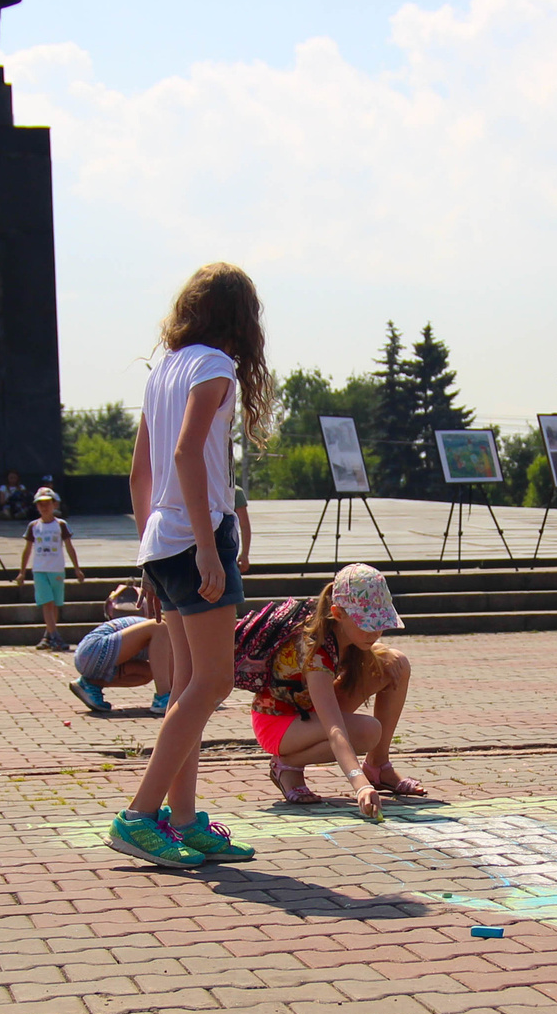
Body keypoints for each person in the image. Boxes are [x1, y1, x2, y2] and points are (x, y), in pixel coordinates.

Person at [106, 262, 274, 868]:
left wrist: (149, 549)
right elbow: (185, 454)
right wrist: (206, 545)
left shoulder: (166, 370)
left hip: (162, 538)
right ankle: (139, 815)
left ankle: (181, 819)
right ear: (240, 319)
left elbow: (139, 472)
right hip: (197, 535)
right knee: (213, 680)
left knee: (187, 688)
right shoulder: (216, 366)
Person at [249, 563, 424, 814]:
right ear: (338, 613)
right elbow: (334, 729)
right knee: (367, 731)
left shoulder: (344, 634)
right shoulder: (315, 652)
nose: (374, 631)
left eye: (379, 621)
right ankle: (286, 764)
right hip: (278, 722)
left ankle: (378, 766)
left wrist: (376, 651)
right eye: (366, 623)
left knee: (394, 662)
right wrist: (359, 785)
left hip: (308, 709)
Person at [68, 582, 170, 716]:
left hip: (92, 658)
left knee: (148, 673)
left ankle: (90, 685)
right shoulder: (164, 631)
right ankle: (163, 699)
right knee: (160, 626)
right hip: (92, 649)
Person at [13, 485, 85, 649]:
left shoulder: (61, 525)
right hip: (40, 569)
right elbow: (27, 549)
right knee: (47, 602)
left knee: (55, 604)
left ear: (54, 504)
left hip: (56, 568)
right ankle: (54, 636)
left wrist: (77, 568)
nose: (44, 507)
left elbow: (69, 546)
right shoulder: (33, 526)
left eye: (47, 503)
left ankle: (48, 634)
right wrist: (22, 572)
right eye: (40, 504)